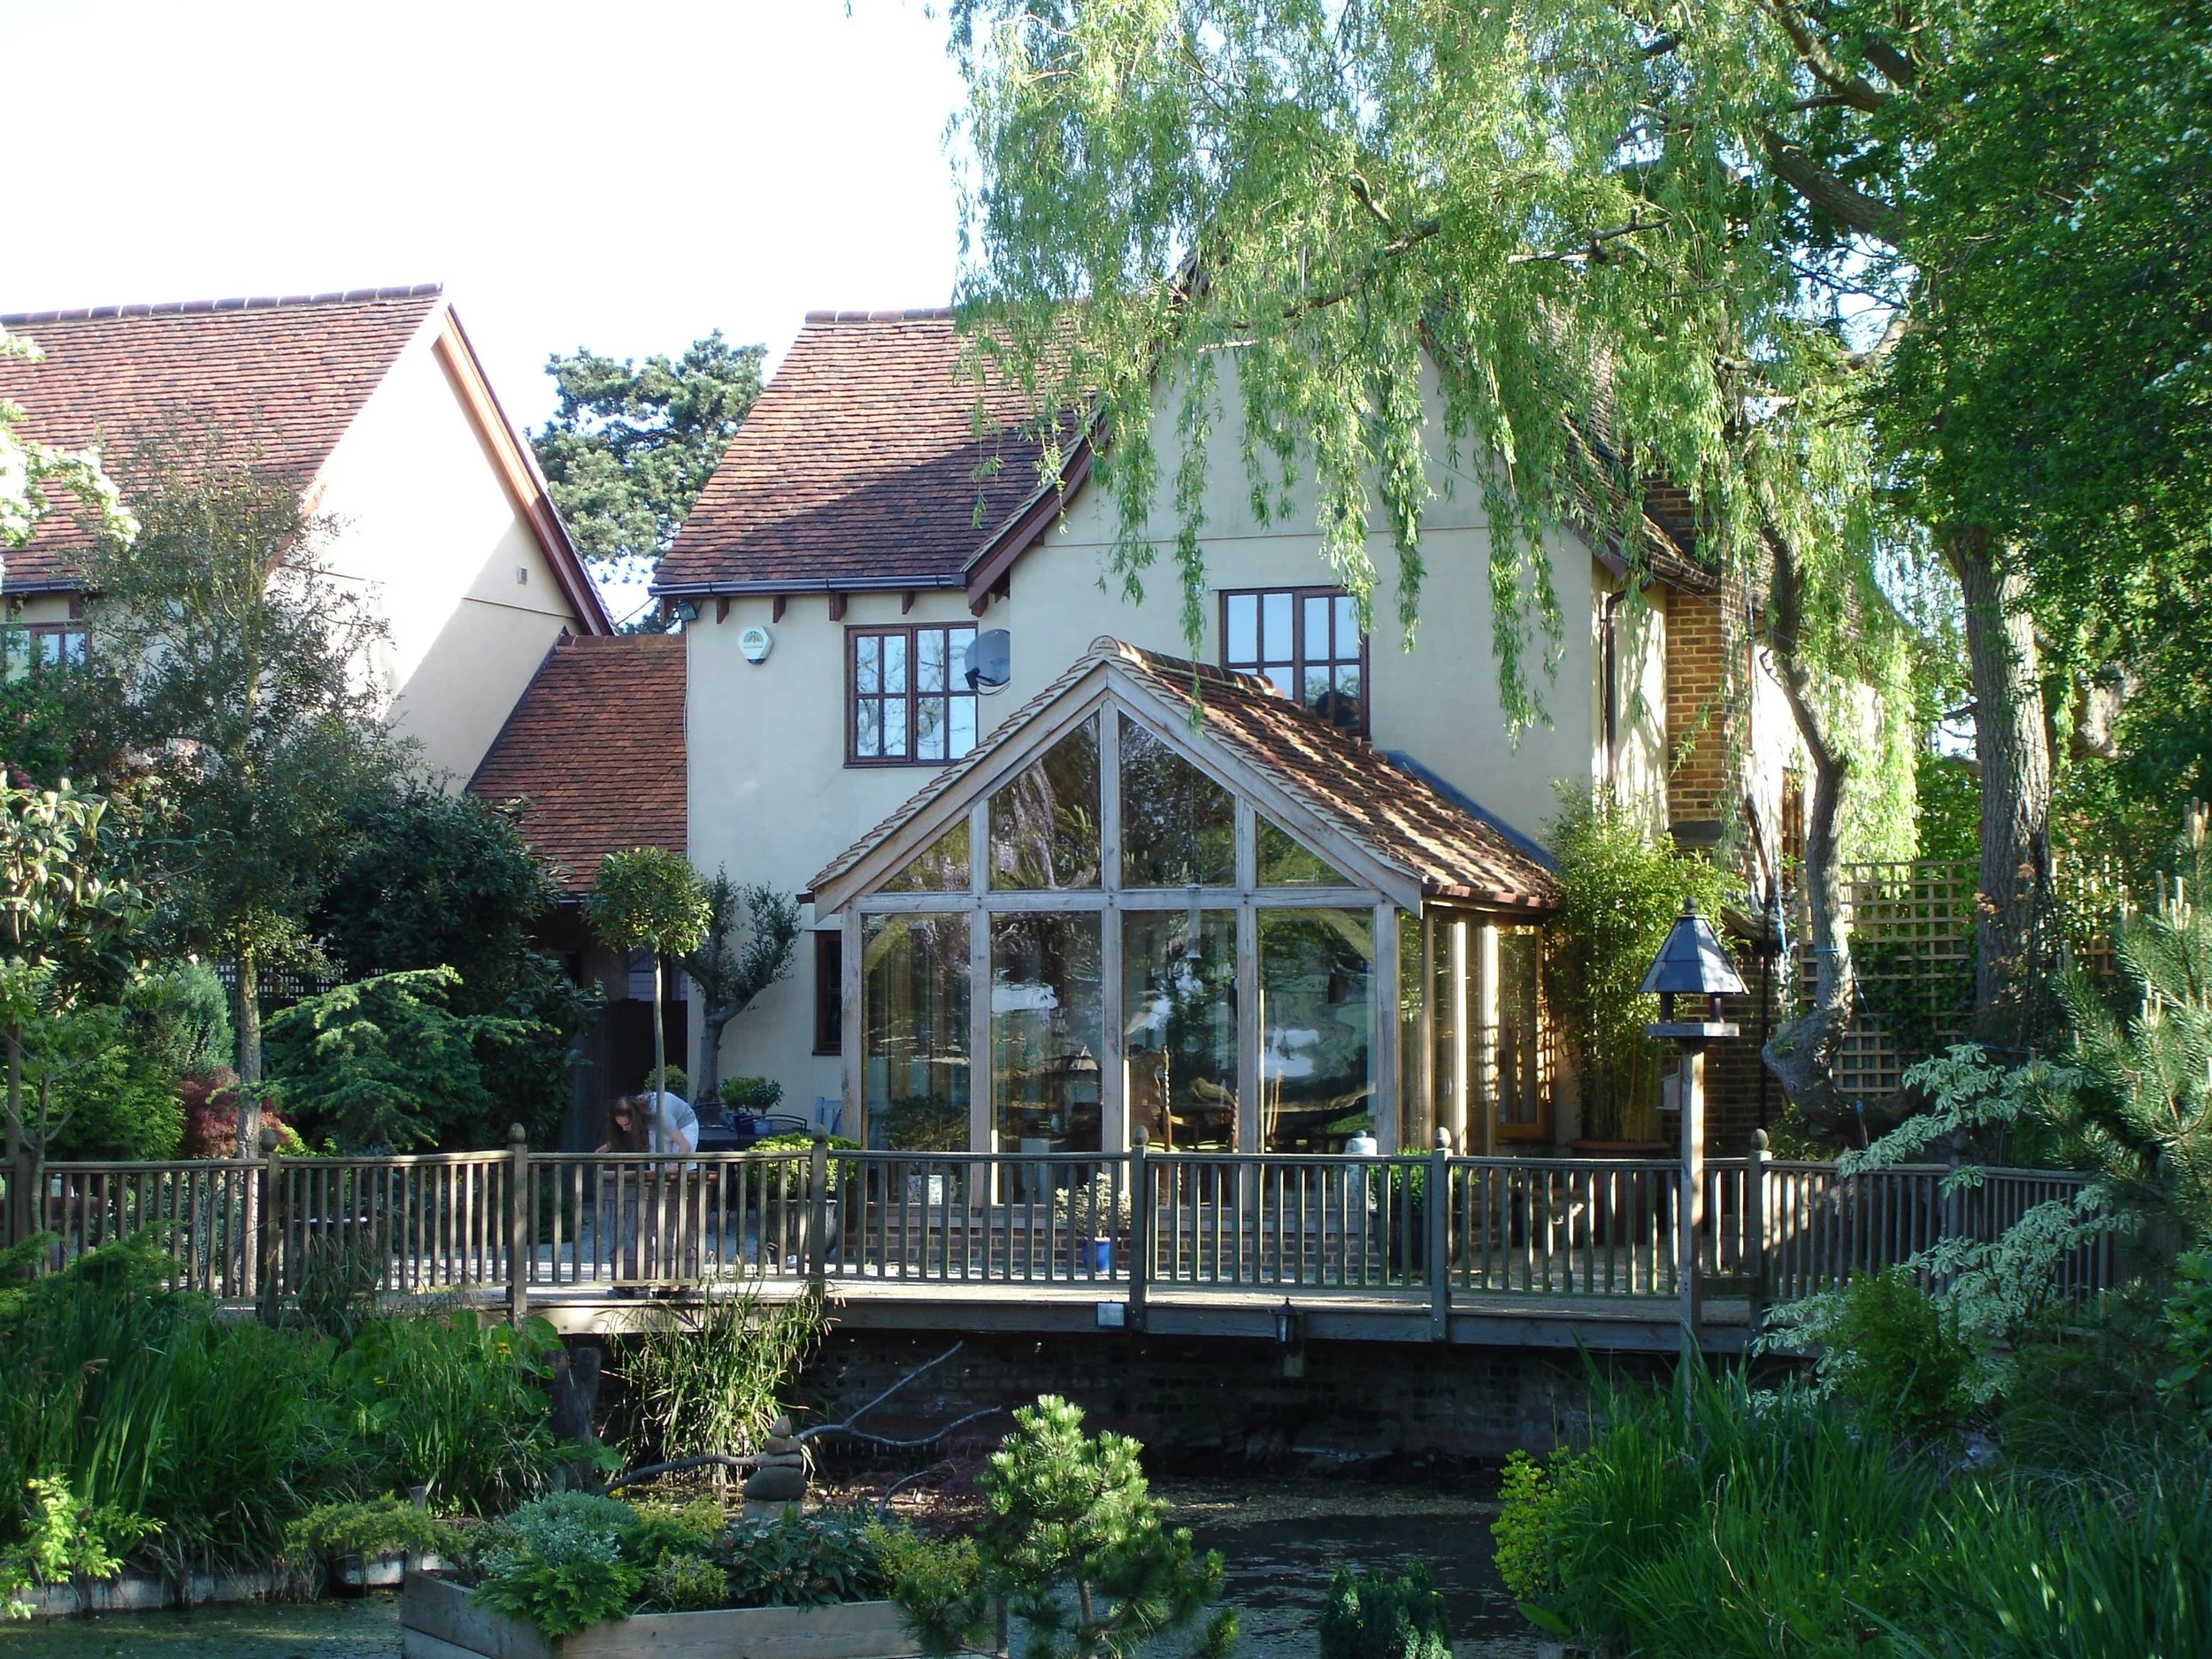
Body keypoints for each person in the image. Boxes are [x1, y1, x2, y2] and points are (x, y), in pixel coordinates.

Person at [594, 1096, 651, 1283]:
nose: (625, 1128)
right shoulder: (622, 1134)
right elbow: (617, 1141)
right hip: (623, 1182)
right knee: (621, 1229)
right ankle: (624, 1274)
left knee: (636, 1230)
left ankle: (636, 1273)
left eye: (627, 1124)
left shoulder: (648, 1129)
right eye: (620, 1125)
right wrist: (607, 1147)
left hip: (641, 1181)